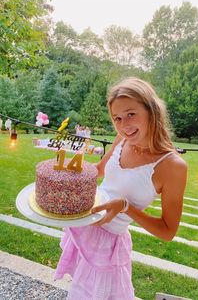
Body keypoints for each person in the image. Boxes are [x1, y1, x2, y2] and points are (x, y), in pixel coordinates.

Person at [54, 77, 188, 299]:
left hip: (108, 249)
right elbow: (99, 170)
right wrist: (69, 171)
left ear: (151, 110)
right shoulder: (123, 138)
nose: (124, 125)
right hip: (85, 226)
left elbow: (167, 232)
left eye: (131, 114)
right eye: (117, 118)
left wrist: (126, 207)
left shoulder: (172, 166)